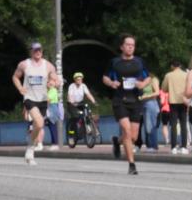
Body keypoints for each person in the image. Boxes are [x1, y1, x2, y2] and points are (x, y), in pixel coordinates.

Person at [102, 33, 150, 175]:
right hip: (120, 100)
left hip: (135, 100)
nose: (130, 47)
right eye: (128, 45)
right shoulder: (114, 62)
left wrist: (142, 84)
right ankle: (132, 164)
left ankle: (117, 141)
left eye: (132, 45)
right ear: (122, 47)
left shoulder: (140, 62)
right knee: (127, 132)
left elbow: (148, 77)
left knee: (134, 137)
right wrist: (111, 83)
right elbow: (104, 77)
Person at [13, 42, 59, 166]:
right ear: (31, 51)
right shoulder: (24, 64)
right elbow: (15, 77)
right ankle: (31, 149)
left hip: (43, 99)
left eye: (39, 50)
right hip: (29, 97)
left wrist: (54, 82)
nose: (38, 52)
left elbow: (55, 78)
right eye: (35, 50)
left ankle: (30, 146)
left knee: (38, 126)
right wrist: (19, 88)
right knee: (39, 123)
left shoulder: (48, 65)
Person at [161, 60, 189, 154]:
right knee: (183, 124)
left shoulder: (168, 75)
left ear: (172, 66)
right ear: (180, 65)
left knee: (173, 125)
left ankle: (173, 147)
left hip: (173, 102)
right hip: (184, 101)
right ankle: (184, 147)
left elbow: (164, 88)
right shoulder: (186, 75)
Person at [66, 72, 98, 143]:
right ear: (74, 80)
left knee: (88, 111)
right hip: (72, 104)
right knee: (75, 117)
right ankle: (71, 136)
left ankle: (88, 128)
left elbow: (88, 94)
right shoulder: (72, 86)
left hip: (80, 103)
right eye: (77, 79)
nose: (79, 81)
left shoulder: (83, 86)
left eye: (80, 79)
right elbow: (70, 95)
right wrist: (72, 102)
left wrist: (94, 101)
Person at [139, 73, 161, 152]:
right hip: (144, 104)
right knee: (147, 126)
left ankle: (153, 146)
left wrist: (146, 96)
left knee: (151, 125)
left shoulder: (153, 80)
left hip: (151, 103)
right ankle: (149, 145)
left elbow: (157, 92)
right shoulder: (141, 81)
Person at [45, 83, 61, 149]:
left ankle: (55, 144)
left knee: (53, 126)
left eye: (48, 83)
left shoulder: (53, 90)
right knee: (50, 126)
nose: (47, 84)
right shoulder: (49, 91)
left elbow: (48, 100)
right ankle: (53, 143)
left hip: (52, 108)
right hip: (50, 108)